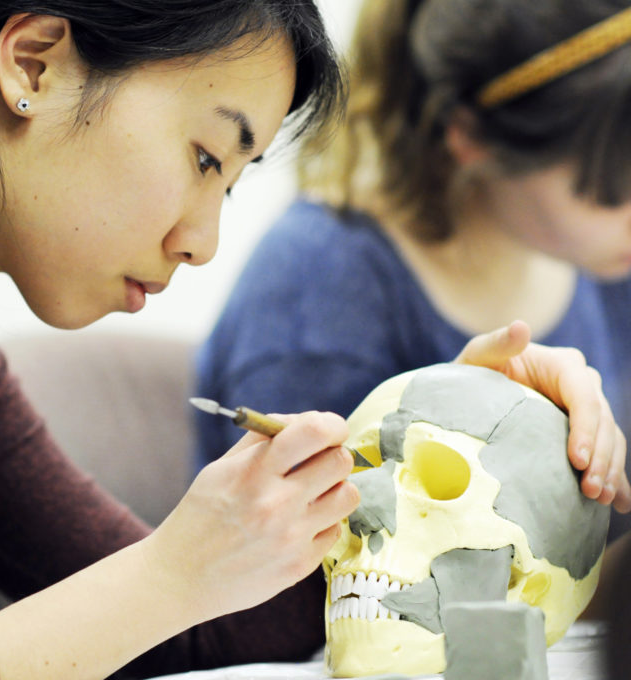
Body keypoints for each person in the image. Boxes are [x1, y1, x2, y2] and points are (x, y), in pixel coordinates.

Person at [0, 1, 623, 678]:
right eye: (202, 155)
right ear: (34, 64)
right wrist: (171, 572)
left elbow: (216, 622)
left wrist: (468, 434)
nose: (202, 238)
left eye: (230, 181)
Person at [194, 0, 631, 529]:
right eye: (612, 194)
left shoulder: (599, 259)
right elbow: (314, 579)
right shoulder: (321, 287)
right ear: (470, 136)